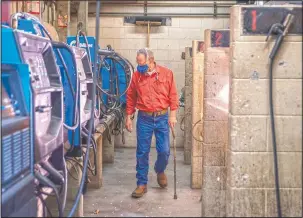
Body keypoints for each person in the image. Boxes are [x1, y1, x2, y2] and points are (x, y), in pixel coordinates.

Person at [125, 48, 179, 198]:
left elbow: (173, 95)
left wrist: (173, 115)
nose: (138, 65)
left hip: (162, 117)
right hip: (144, 118)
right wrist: (128, 116)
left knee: (164, 151)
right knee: (142, 152)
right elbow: (131, 97)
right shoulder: (137, 76)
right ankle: (141, 183)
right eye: (137, 62)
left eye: (141, 62)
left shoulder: (167, 74)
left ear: (150, 60)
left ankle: (159, 170)